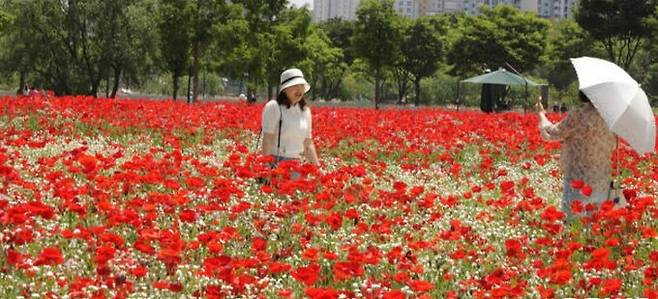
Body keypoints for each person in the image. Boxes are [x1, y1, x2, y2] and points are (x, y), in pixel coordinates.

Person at [536, 92, 616, 219]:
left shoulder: (579, 116)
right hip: (602, 181)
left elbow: (551, 133)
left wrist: (541, 114)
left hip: (579, 182)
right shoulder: (611, 120)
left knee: (573, 227)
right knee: (594, 228)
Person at [261, 68, 320, 175]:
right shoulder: (274, 107)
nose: (299, 90)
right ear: (284, 89)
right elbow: (267, 139)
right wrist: (266, 168)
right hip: (276, 162)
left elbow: (308, 144)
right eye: (295, 86)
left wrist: (317, 170)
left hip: (296, 163)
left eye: (301, 86)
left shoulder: (305, 111)